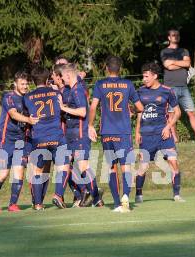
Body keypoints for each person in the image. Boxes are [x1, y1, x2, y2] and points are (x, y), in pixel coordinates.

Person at [88, 55, 144, 212]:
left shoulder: (100, 84)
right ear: (120, 69)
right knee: (126, 166)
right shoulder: (128, 84)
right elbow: (140, 107)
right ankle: (125, 196)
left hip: (107, 132)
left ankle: (116, 203)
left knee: (111, 167)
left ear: (106, 68)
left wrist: (90, 125)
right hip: (124, 131)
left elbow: (93, 107)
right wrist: (131, 109)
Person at [135, 62, 185, 202]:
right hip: (146, 135)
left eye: (146, 76)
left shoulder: (167, 91)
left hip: (163, 134)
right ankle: (138, 194)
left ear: (155, 76)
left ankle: (176, 195)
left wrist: (168, 127)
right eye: (143, 76)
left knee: (173, 162)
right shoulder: (140, 91)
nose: (144, 79)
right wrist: (137, 132)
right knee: (143, 167)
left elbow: (177, 112)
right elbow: (139, 113)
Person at [0, 72, 38, 212]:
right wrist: (28, 120)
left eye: (26, 83)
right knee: (3, 174)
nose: (25, 86)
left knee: (19, 172)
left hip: (21, 142)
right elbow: (13, 114)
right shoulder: (8, 97)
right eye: (22, 84)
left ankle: (13, 204)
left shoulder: (28, 99)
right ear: (15, 84)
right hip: (5, 141)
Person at [24, 66, 70, 210]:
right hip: (56, 135)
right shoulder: (56, 93)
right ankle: (58, 195)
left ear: (32, 80)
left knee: (37, 171)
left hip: (38, 137)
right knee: (63, 166)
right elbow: (62, 109)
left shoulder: (27, 97)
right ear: (48, 78)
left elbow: (26, 117)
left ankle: (37, 204)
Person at [60, 63, 104, 207]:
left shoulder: (77, 90)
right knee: (67, 164)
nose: (61, 79)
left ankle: (96, 197)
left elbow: (82, 112)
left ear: (68, 75)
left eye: (62, 76)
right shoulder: (72, 89)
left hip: (79, 134)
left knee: (83, 166)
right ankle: (90, 194)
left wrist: (62, 108)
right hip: (71, 134)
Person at [160, 29, 195, 143]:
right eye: (173, 35)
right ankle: (174, 139)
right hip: (170, 87)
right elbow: (168, 66)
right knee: (171, 114)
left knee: (192, 112)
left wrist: (173, 62)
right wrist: (181, 64)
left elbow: (187, 63)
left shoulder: (184, 51)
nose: (176, 37)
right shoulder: (164, 52)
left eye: (178, 35)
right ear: (169, 38)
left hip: (184, 87)